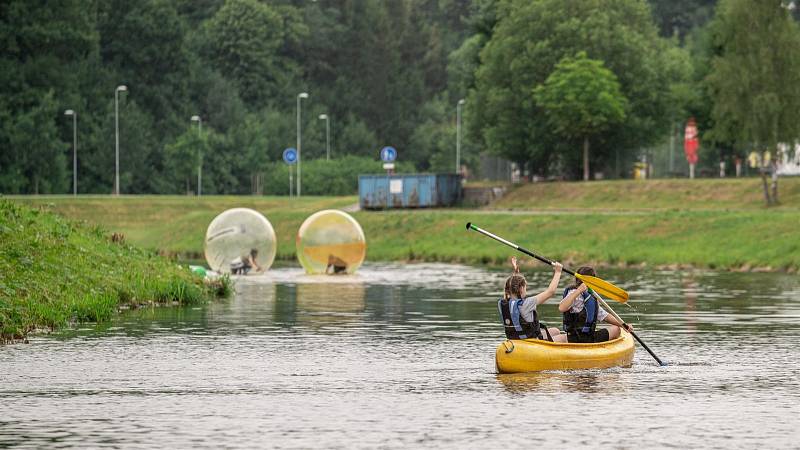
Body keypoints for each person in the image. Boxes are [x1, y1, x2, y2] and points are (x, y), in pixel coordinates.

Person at [498, 256, 566, 342]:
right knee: (564, 337)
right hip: (530, 342)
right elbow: (550, 292)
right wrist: (558, 272)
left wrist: (516, 272)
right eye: (525, 287)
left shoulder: (502, 303)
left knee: (555, 331)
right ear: (521, 289)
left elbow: (512, 285)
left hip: (515, 339)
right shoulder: (528, 303)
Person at [558, 266, 632, 343]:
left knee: (557, 335)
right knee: (616, 329)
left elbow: (604, 316)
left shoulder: (575, 293)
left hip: (571, 337)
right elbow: (562, 308)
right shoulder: (576, 293)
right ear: (593, 281)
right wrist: (622, 325)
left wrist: (623, 325)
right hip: (588, 339)